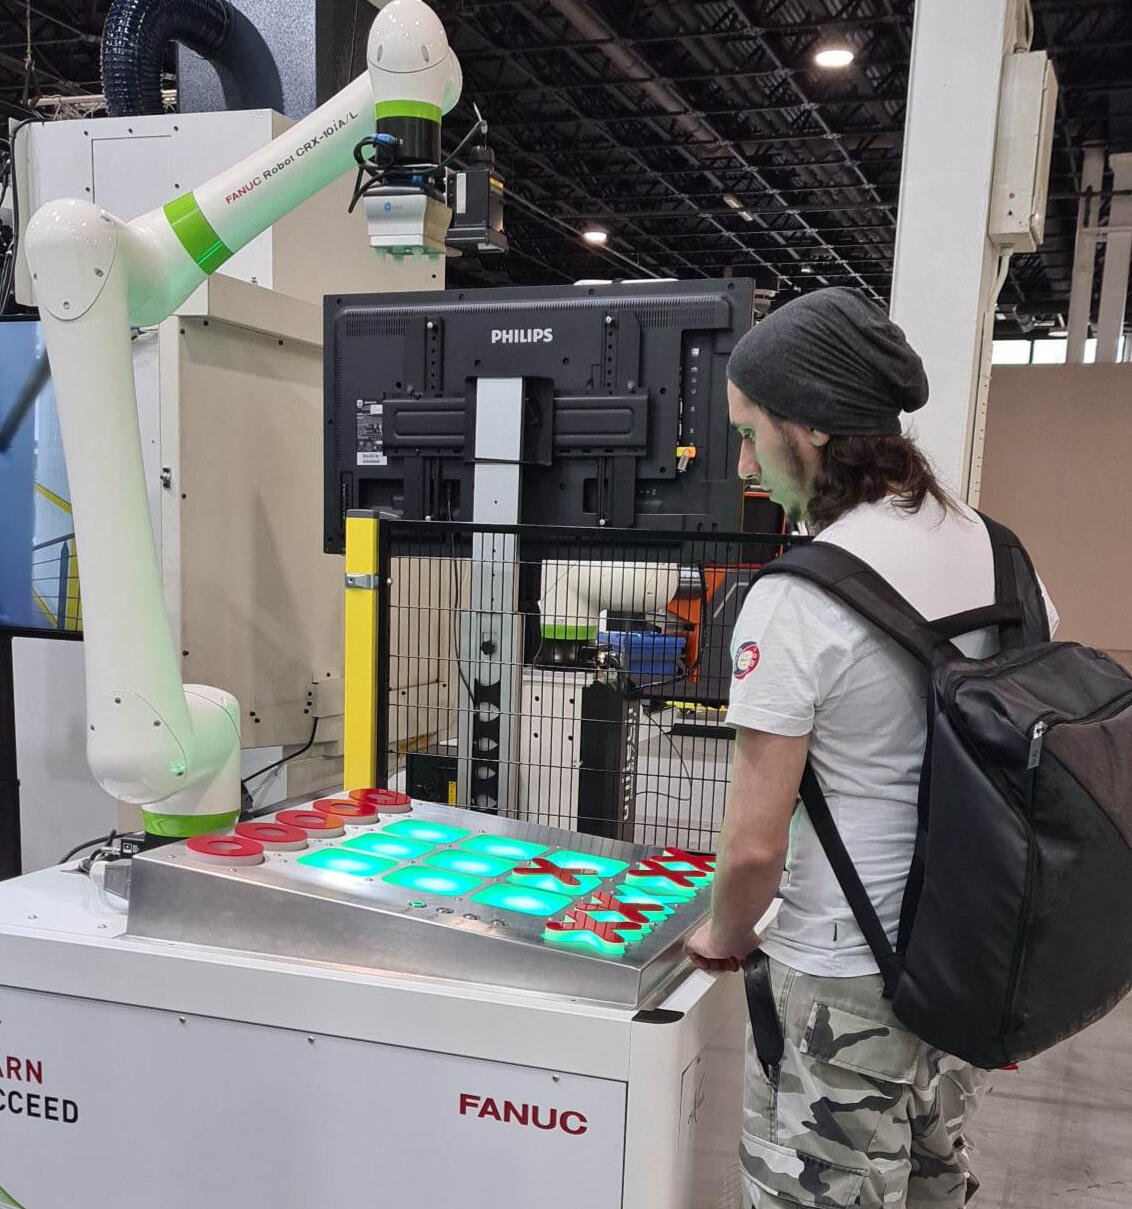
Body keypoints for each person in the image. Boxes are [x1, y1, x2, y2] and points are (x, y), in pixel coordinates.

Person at [684, 288, 1056, 1209]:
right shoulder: (1005, 555)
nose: (744, 462)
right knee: (931, 1181)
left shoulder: (796, 598)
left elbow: (755, 847)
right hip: (969, 962)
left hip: (846, 973)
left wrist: (723, 936)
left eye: (749, 433)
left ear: (808, 427)